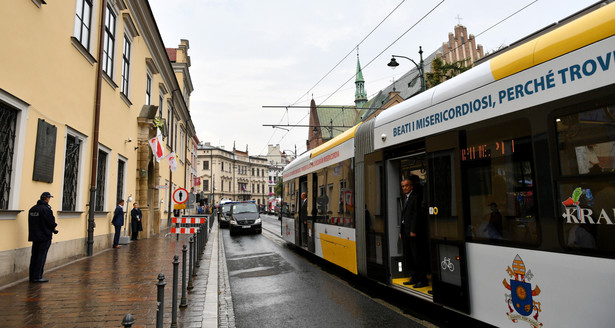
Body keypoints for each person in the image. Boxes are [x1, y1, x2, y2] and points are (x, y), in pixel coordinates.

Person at [400, 175, 429, 288]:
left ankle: (422, 279)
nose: (404, 188)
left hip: (413, 232)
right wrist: (401, 231)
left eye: (406, 185)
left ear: (411, 186)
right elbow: (403, 216)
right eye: (403, 186)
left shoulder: (415, 197)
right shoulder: (406, 198)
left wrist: (413, 230)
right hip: (406, 231)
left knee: (417, 256)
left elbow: (416, 215)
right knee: (409, 256)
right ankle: (414, 277)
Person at [28, 192, 58, 283]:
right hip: (44, 236)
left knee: (34, 256)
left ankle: (32, 276)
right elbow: (50, 222)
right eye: (49, 198)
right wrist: (54, 227)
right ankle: (38, 276)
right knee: (41, 256)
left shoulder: (33, 209)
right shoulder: (46, 209)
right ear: (47, 198)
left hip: (35, 236)